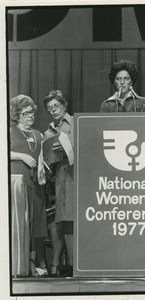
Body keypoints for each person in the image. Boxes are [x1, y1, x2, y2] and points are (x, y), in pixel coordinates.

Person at [10, 94, 48, 277]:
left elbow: (40, 155)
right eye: (25, 113)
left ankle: (31, 265)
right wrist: (21, 156)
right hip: (17, 184)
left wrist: (42, 165)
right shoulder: (10, 132)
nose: (29, 116)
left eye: (31, 112)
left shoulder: (39, 134)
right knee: (20, 224)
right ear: (17, 115)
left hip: (35, 185)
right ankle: (16, 265)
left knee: (35, 226)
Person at [43, 90, 74, 277]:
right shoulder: (47, 132)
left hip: (75, 176)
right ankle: (69, 265)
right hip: (58, 181)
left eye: (56, 106)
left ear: (64, 105)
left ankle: (75, 264)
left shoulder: (76, 123)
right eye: (49, 108)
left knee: (74, 220)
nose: (53, 110)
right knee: (63, 221)